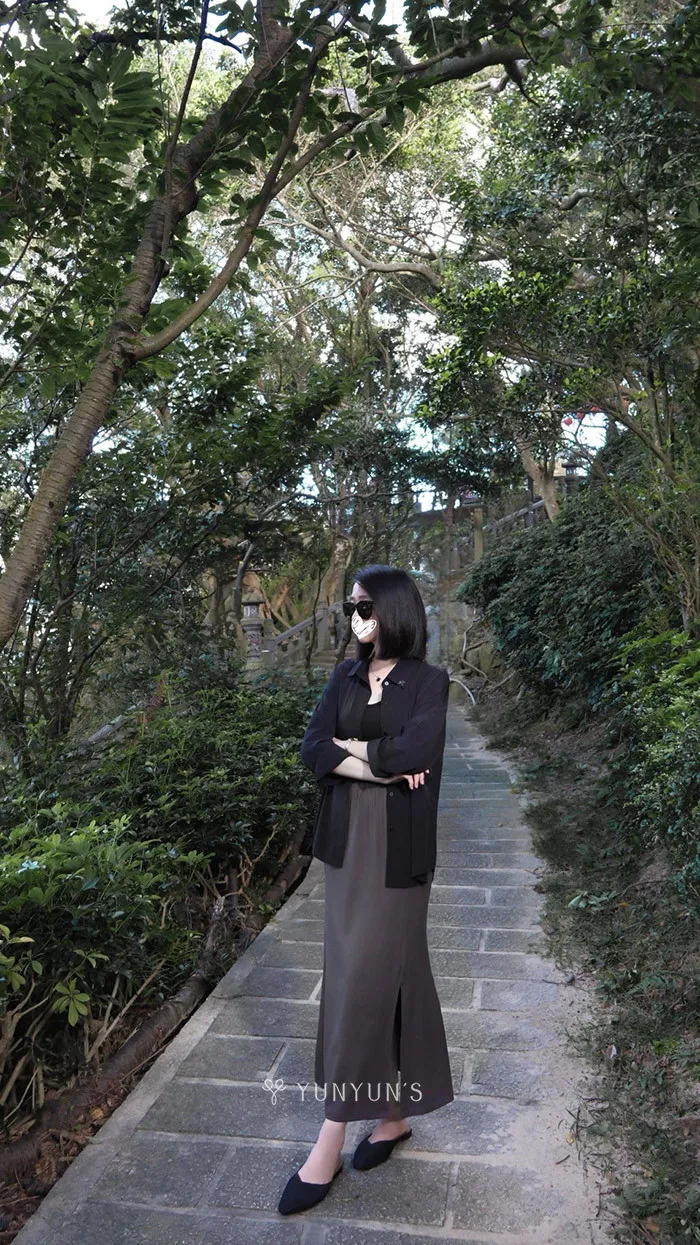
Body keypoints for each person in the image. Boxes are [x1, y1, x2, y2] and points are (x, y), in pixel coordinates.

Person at [278, 564, 454, 1216]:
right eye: (352, 607)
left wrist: (351, 750)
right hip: (347, 845)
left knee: (365, 979)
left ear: (395, 612)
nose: (357, 618)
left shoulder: (430, 681)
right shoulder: (344, 677)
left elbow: (417, 753)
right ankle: (393, 1114)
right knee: (378, 975)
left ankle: (329, 1137)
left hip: (399, 851)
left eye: (367, 607)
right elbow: (312, 749)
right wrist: (378, 766)